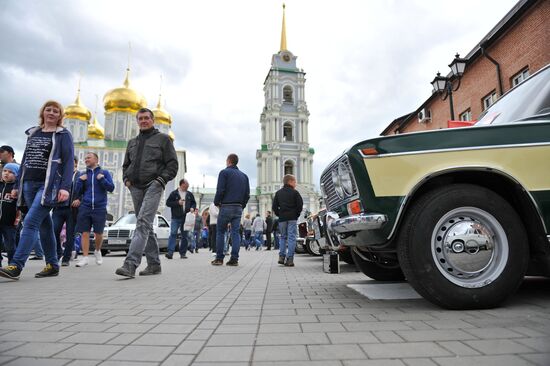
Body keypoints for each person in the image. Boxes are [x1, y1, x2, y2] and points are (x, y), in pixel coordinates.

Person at [0, 100, 74, 280]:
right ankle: (52, 265)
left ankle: (16, 265)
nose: (51, 113)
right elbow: (25, 160)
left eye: (56, 111)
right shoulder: (34, 133)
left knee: (31, 222)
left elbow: (68, 162)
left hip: (48, 186)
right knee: (44, 224)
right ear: (43, 112)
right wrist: (17, 185)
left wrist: (64, 187)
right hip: (28, 184)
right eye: (48, 110)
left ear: (60, 116)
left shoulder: (63, 135)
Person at [115, 107, 178, 278]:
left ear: (152, 120)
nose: (143, 121)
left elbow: (172, 164)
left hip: (153, 186)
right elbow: (126, 165)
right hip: (135, 187)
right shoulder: (132, 142)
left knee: (142, 222)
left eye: (146, 118)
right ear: (137, 121)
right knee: (147, 226)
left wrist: (160, 181)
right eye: (140, 118)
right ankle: (154, 264)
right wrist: (127, 181)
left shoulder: (163, 140)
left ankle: (130, 264)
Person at [74, 152, 115, 267]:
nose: (86, 159)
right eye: (85, 158)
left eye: (89, 158)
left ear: (96, 160)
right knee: (85, 233)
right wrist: (80, 181)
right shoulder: (83, 174)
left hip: (100, 207)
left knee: (99, 233)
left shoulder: (104, 173)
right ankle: (85, 257)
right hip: (85, 207)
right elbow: (78, 192)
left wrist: (102, 180)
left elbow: (111, 188)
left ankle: (97, 250)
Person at [212, 153, 249, 266]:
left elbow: (220, 190)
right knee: (235, 233)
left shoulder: (224, 172)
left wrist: (216, 202)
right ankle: (234, 259)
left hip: (226, 206)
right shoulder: (244, 176)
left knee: (220, 232)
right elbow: (247, 194)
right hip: (238, 208)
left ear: (228, 161)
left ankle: (219, 258)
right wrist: (242, 205)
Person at [52, 156, 81, 266]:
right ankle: (58, 252)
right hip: (58, 208)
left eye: (70, 162)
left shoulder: (80, 175)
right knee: (54, 232)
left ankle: (66, 258)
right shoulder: (58, 175)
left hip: (72, 209)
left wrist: (79, 199)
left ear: (75, 163)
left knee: (70, 235)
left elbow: (84, 190)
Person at [272, 174, 303, 267]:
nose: (295, 183)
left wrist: (279, 214)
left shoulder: (278, 193)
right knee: (291, 238)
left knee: (283, 237)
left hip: (282, 219)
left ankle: (281, 257)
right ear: (290, 181)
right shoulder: (295, 193)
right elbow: (300, 206)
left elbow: (274, 207)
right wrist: (296, 215)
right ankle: (290, 259)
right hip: (292, 218)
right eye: (294, 181)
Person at [165, 179, 196, 259]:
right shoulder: (174, 193)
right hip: (175, 217)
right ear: (182, 185)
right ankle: (170, 253)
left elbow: (194, 203)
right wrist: (177, 203)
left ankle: (183, 253)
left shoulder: (189, 194)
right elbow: (168, 203)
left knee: (184, 236)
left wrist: (192, 208)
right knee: (173, 234)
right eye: (186, 186)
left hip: (186, 218)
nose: (187, 187)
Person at [0, 163, 21, 267]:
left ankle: (12, 265)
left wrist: (17, 218)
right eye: (5, 171)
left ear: (17, 175)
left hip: (10, 222)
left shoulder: (17, 189)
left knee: (10, 246)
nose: (6, 174)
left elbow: (20, 206)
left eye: (10, 172)